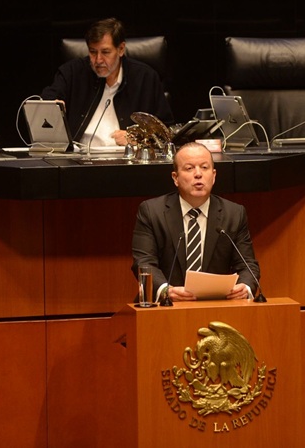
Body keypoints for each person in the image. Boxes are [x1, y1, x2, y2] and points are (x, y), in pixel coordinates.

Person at [131, 142, 261, 302]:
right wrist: (166, 291)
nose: (198, 174)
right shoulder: (152, 212)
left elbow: (248, 265)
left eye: (204, 167)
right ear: (175, 178)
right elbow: (143, 263)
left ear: (214, 176)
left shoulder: (234, 213)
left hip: (216, 304)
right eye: (189, 168)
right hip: (166, 306)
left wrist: (244, 287)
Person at [40, 17, 174, 149]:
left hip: (127, 157)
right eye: (93, 52)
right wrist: (50, 106)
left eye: (105, 52)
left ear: (121, 49)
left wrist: (137, 138)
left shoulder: (145, 77)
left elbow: (165, 131)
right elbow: (46, 100)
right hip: (80, 155)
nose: (98, 60)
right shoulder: (72, 72)